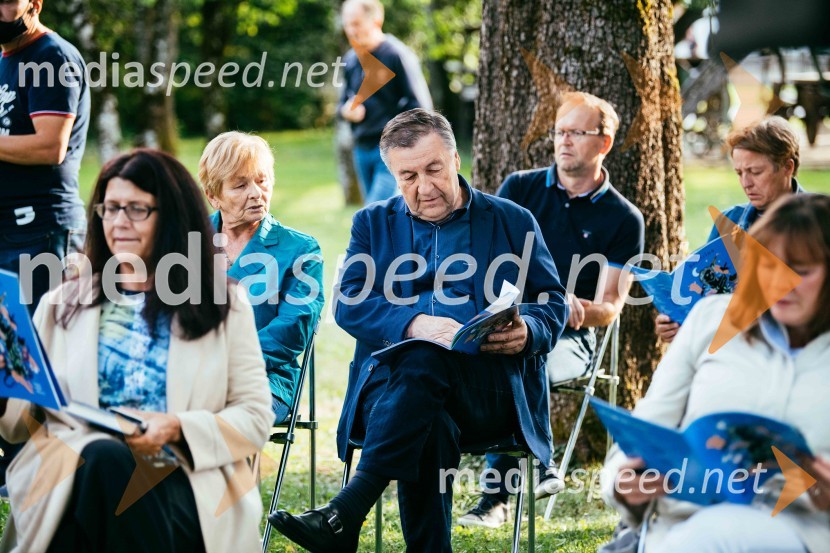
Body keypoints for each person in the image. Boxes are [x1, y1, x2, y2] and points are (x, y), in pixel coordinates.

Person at [268, 108, 568, 552]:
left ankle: (346, 512)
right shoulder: (372, 224)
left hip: (488, 390)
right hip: (392, 393)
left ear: (455, 160)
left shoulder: (512, 220)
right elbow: (348, 301)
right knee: (429, 410)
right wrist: (414, 323)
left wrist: (530, 334)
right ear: (391, 173)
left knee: (425, 363)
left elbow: (552, 303)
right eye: (408, 177)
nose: (424, 188)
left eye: (433, 169)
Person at [0, 150, 273, 552]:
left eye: (136, 209)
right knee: (103, 461)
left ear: (172, 216)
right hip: (71, 475)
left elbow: (254, 420)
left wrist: (178, 427)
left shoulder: (223, 306)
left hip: (185, 477)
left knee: (104, 475)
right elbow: (15, 427)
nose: (119, 222)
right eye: (109, 209)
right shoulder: (62, 303)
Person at [602, 193, 830, 552]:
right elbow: (645, 431)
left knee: (718, 533)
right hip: (682, 524)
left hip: (798, 531)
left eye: (800, 270)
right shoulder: (710, 319)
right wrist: (626, 483)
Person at [459, 92, 645, 528]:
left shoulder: (624, 218)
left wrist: (570, 303)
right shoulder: (520, 189)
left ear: (604, 142)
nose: (564, 142)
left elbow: (609, 308)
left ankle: (494, 500)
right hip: (506, 317)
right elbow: (485, 265)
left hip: (573, 338)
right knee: (510, 345)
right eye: (560, 132)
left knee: (525, 353)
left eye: (577, 133)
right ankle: (539, 464)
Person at [0, 0, 90, 490]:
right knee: (6, 357)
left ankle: (51, 472)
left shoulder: (50, 56)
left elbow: (48, 143)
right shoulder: (4, 58)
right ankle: (18, 465)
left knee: (37, 359)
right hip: (7, 231)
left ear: (34, 3)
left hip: (41, 232)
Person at [198, 131, 324, 424]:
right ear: (213, 196)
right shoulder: (185, 241)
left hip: (264, 382)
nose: (256, 193)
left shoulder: (300, 249)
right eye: (240, 185)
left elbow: (294, 328)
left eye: (262, 180)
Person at [656, 116, 805, 342]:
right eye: (739, 173)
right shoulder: (731, 221)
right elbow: (704, 295)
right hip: (733, 348)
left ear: (787, 167)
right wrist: (678, 323)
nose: (746, 182)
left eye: (755, 172)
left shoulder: (819, 222)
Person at [338, 0, 432, 205]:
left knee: (374, 211)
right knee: (382, 217)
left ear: (376, 21)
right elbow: (342, 104)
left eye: (356, 23)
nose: (351, 30)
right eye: (347, 24)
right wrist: (348, 111)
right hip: (361, 149)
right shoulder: (351, 59)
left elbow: (421, 106)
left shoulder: (396, 55)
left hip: (391, 150)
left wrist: (398, 140)